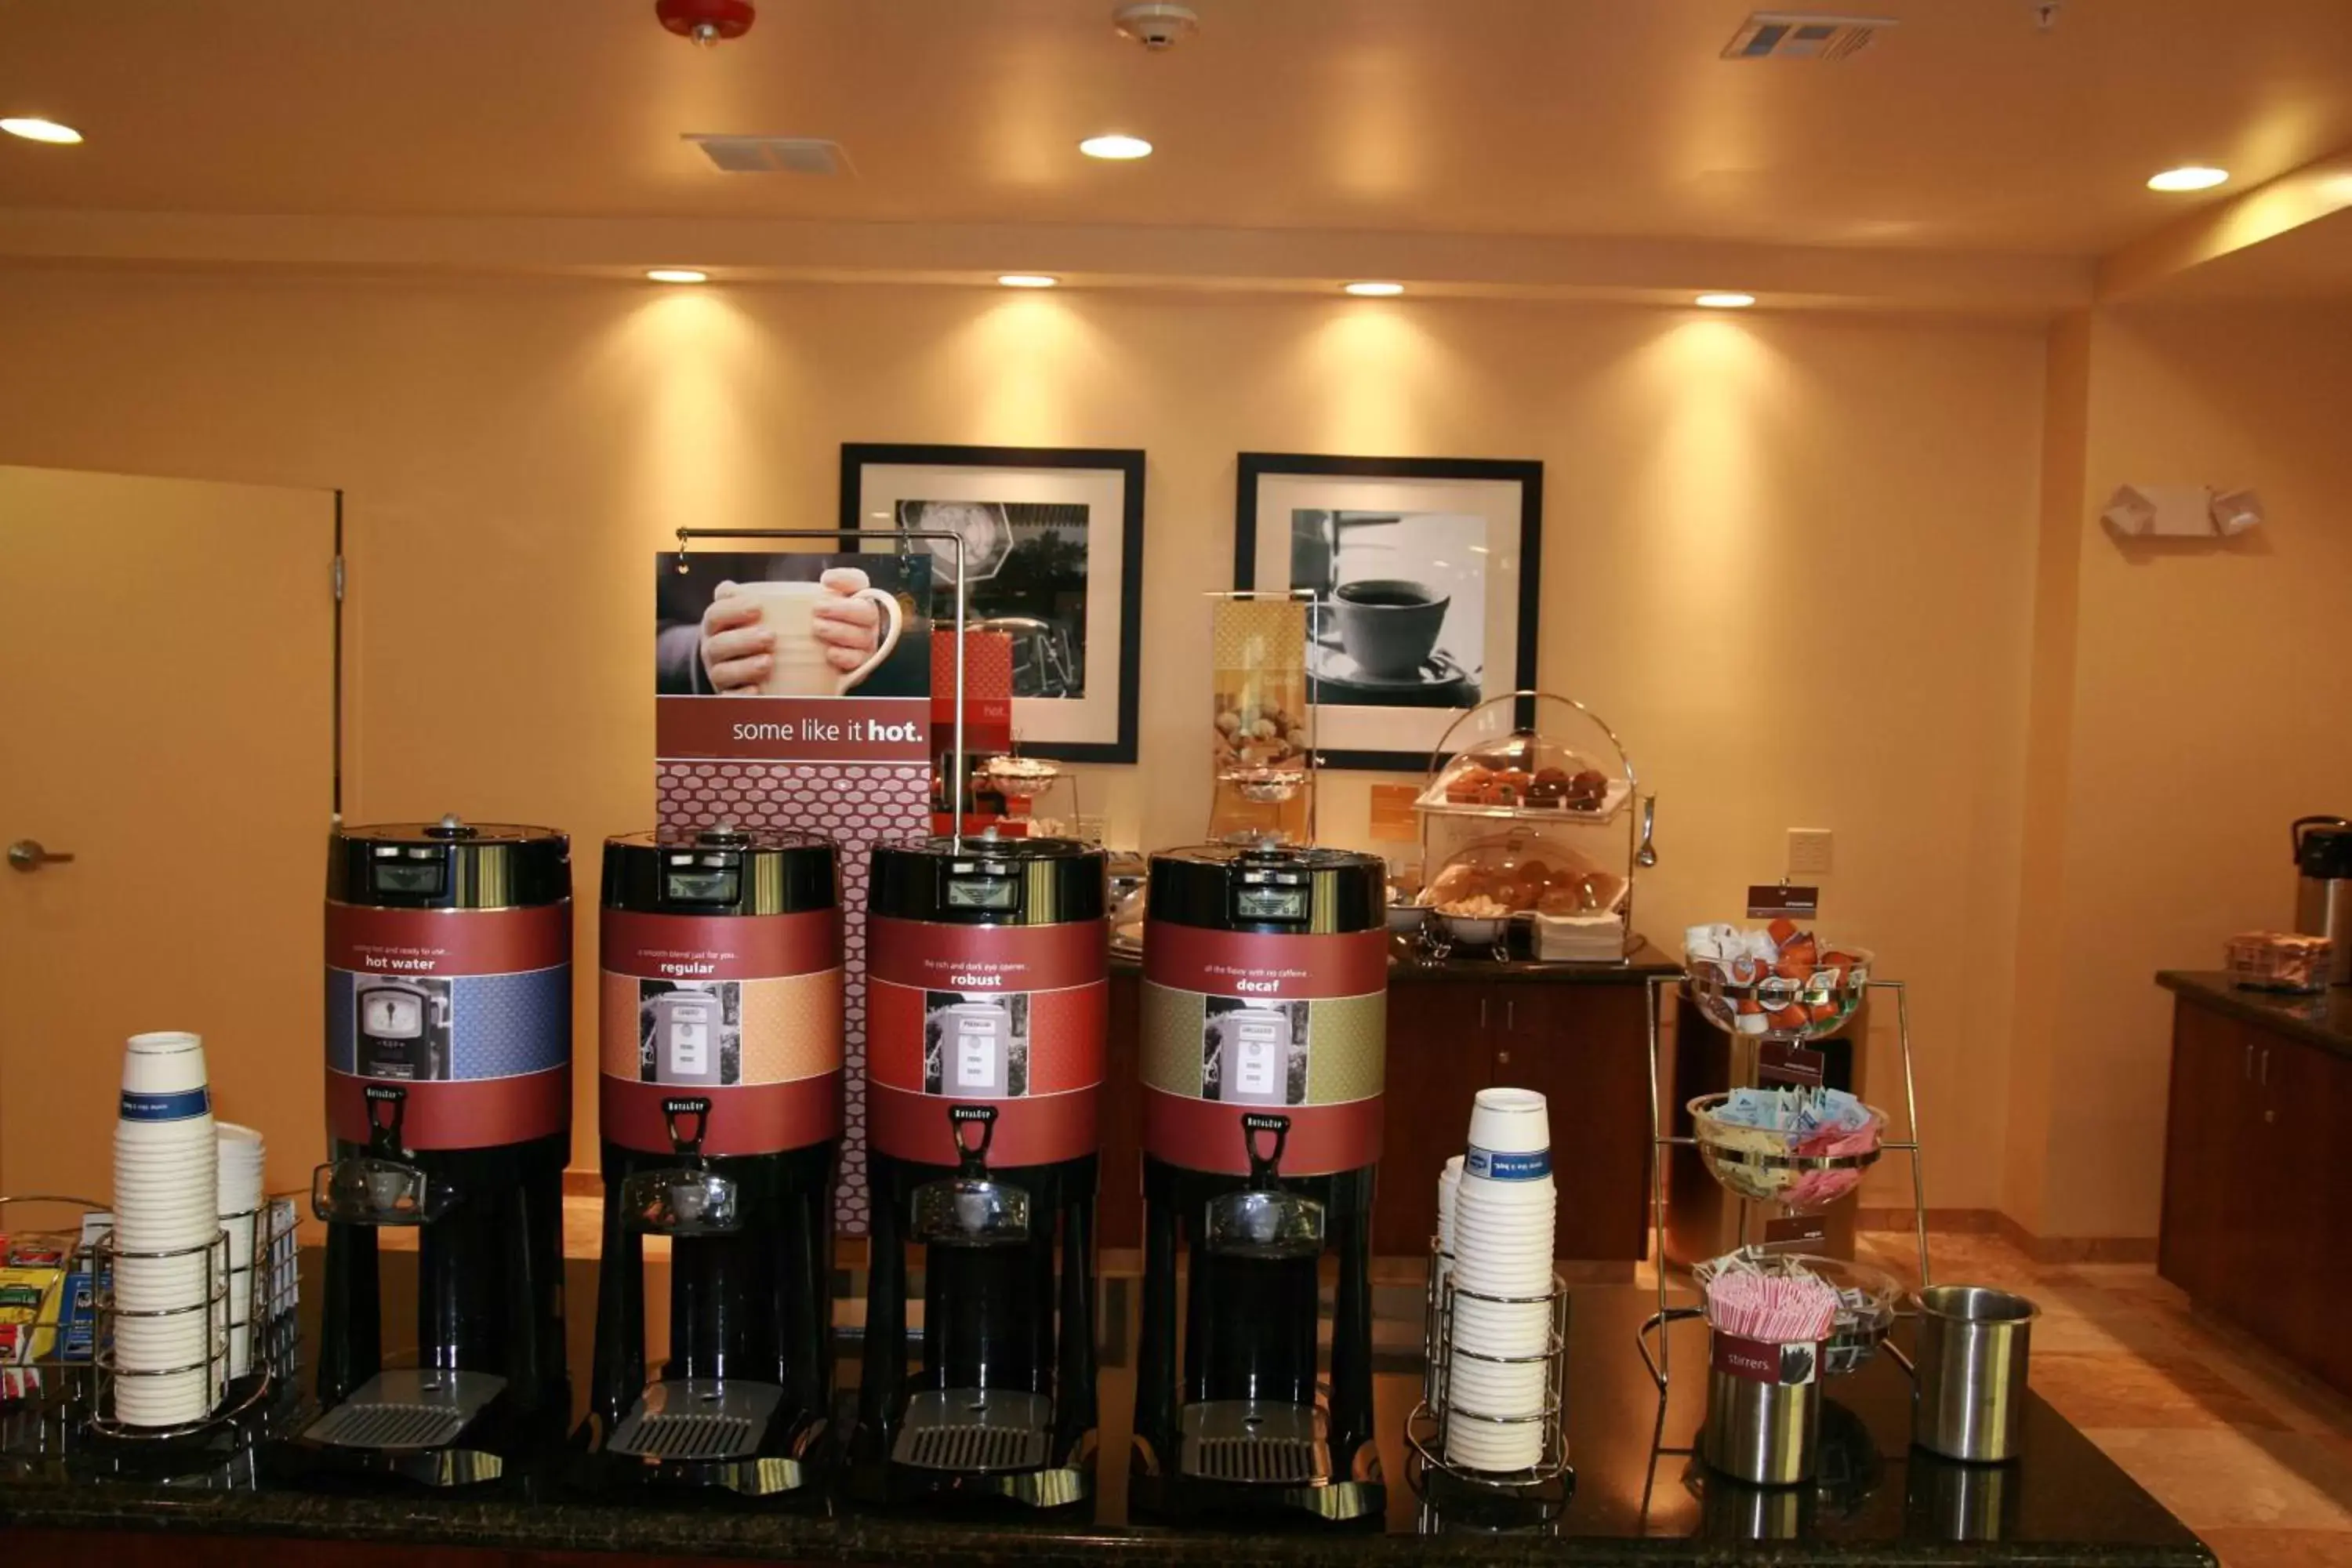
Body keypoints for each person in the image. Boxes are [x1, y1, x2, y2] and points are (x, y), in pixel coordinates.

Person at [655, 564, 891, 695]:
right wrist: (703, 651)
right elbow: (630, 638)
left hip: (849, 736)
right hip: (715, 738)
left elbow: (913, 617)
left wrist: (875, 629)